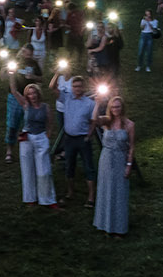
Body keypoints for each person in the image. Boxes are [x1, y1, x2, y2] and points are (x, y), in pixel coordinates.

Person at [92, 96, 135, 238]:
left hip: (120, 159)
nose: (116, 109)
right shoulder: (106, 121)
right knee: (106, 191)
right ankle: (105, 224)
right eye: (113, 107)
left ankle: (118, 228)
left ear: (122, 108)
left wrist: (129, 165)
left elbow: (132, 147)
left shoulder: (129, 125)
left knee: (119, 192)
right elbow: (94, 120)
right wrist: (97, 104)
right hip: (106, 159)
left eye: (118, 107)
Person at [57, 75, 99, 203]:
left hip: (82, 139)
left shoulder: (90, 103)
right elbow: (52, 88)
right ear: (72, 88)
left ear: (84, 88)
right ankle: (70, 192)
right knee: (69, 165)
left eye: (80, 86)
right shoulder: (67, 98)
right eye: (75, 86)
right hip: (69, 139)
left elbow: (93, 121)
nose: (77, 89)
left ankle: (91, 196)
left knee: (88, 166)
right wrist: (57, 73)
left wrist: (89, 135)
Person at [16, 83, 56, 209]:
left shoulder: (46, 107)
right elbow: (14, 91)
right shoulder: (26, 106)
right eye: (29, 94)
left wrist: (47, 136)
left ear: (38, 93)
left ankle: (47, 199)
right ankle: (30, 198)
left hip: (41, 136)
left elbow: (50, 123)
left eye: (34, 93)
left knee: (44, 170)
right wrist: (12, 75)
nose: (32, 96)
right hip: (27, 138)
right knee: (27, 169)